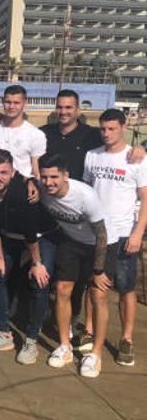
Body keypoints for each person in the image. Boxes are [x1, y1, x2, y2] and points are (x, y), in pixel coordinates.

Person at [0, 149, 58, 362]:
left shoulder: (22, 192)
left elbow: (31, 234)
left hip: (40, 238)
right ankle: (4, 334)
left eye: (3, 172)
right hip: (8, 238)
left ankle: (31, 341)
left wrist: (36, 263)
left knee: (39, 281)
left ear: (12, 172)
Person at [81, 109, 147, 375]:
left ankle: (126, 339)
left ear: (123, 127)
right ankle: (88, 330)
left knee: (125, 288)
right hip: (95, 235)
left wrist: (138, 233)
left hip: (122, 235)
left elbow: (145, 199)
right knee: (94, 286)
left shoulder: (137, 159)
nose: (107, 134)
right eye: (103, 129)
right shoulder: (92, 156)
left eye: (112, 129)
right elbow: (87, 192)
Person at [38, 154, 107, 369]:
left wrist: (98, 269)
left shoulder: (85, 196)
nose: (49, 182)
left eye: (54, 177)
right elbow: (25, 181)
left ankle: (96, 354)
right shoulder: (41, 189)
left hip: (101, 244)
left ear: (66, 175)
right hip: (72, 241)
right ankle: (65, 347)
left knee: (97, 294)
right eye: (44, 177)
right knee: (61, 289)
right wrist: (31, 183)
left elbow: (102, 234)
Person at [0, 85, 46, 178]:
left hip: (21, 186)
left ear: (25, 104)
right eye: (8, 102)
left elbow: (36, 170)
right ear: (2, 102)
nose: (11, 106)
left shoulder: (35, 134)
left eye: (16, 103)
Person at [40, 89, 104, 181]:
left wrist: (133, 150)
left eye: (68, 107)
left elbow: (116, 147)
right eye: (59, 107)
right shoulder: (43, 133)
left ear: (78, 110)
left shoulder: (93, 135)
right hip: (48, 192)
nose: (63, 112)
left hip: (80, 192)